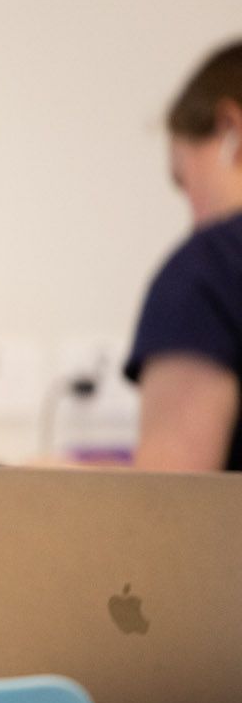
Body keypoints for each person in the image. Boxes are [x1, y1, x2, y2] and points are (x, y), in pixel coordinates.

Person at [126, 41, 242, 472]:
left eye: (185, 179)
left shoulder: (207, 269)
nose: (191, 212)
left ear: (232, 127)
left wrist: (54, 481)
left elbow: (168, 513)